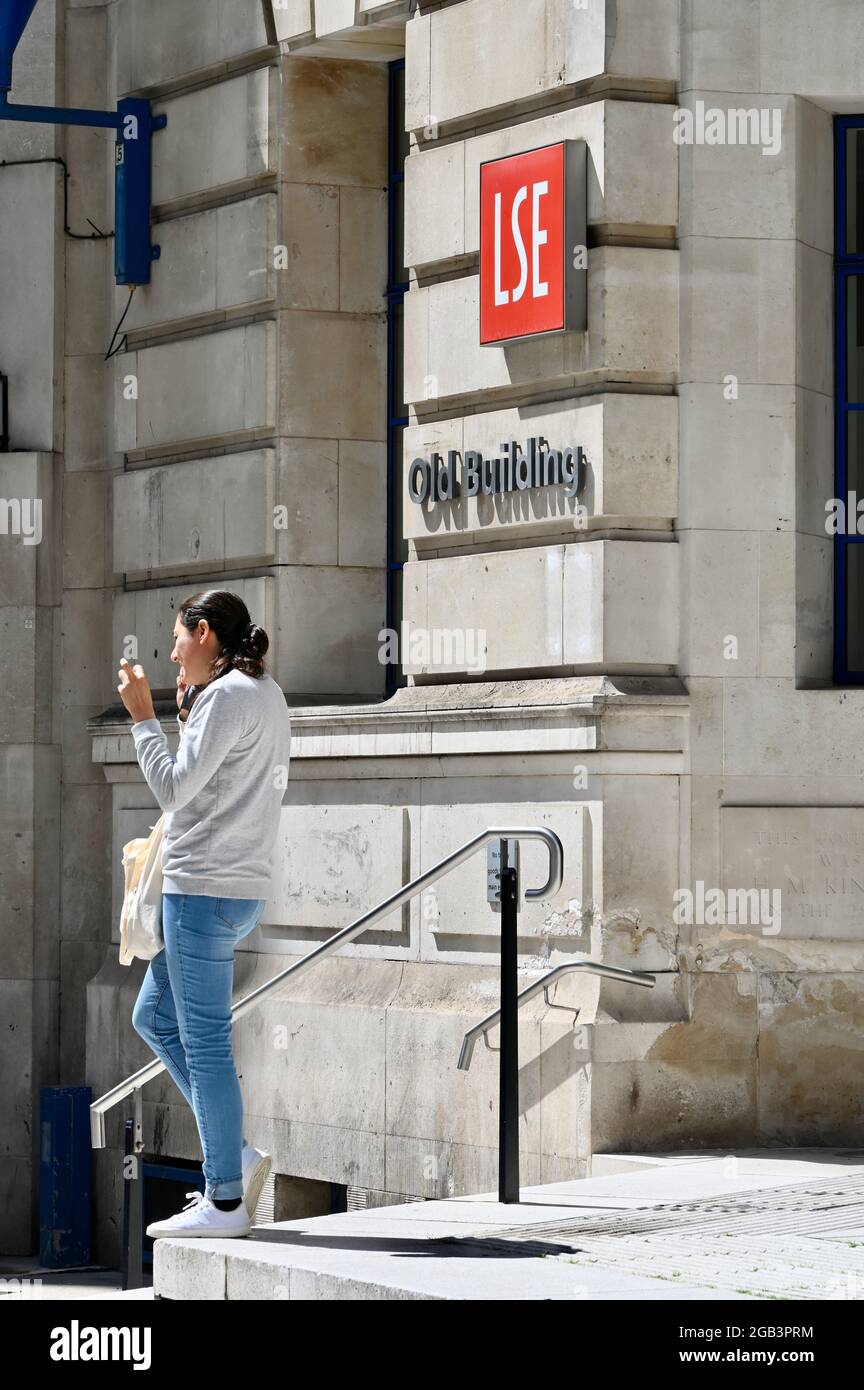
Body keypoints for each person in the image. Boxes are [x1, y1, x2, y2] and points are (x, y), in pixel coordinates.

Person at [118, 589, 292, 1239]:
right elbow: (218, 786)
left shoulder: (225, 697)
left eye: (177, 639)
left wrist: (143, 718)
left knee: (207, 1044)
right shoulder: (262, 693)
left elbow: (173, 789)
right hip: (238, 889)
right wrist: (185, 718)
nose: (169, 655)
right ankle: (236, 1156)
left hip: (202, 892)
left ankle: (224, 1201)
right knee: (153, 1017)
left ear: (206, 634)